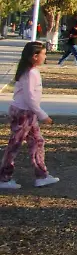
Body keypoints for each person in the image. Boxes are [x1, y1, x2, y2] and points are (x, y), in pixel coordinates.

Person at [0, 42, 58, 189]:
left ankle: (42, 175)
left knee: (37, 142)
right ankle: (4, 178)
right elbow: (30, 98)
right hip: (24, 113)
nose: (45, 57)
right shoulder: (30, 73)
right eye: (43, 54)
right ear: (34, 56)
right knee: (15, 145)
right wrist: (43, 115)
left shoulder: (30, 71)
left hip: (27, 113)